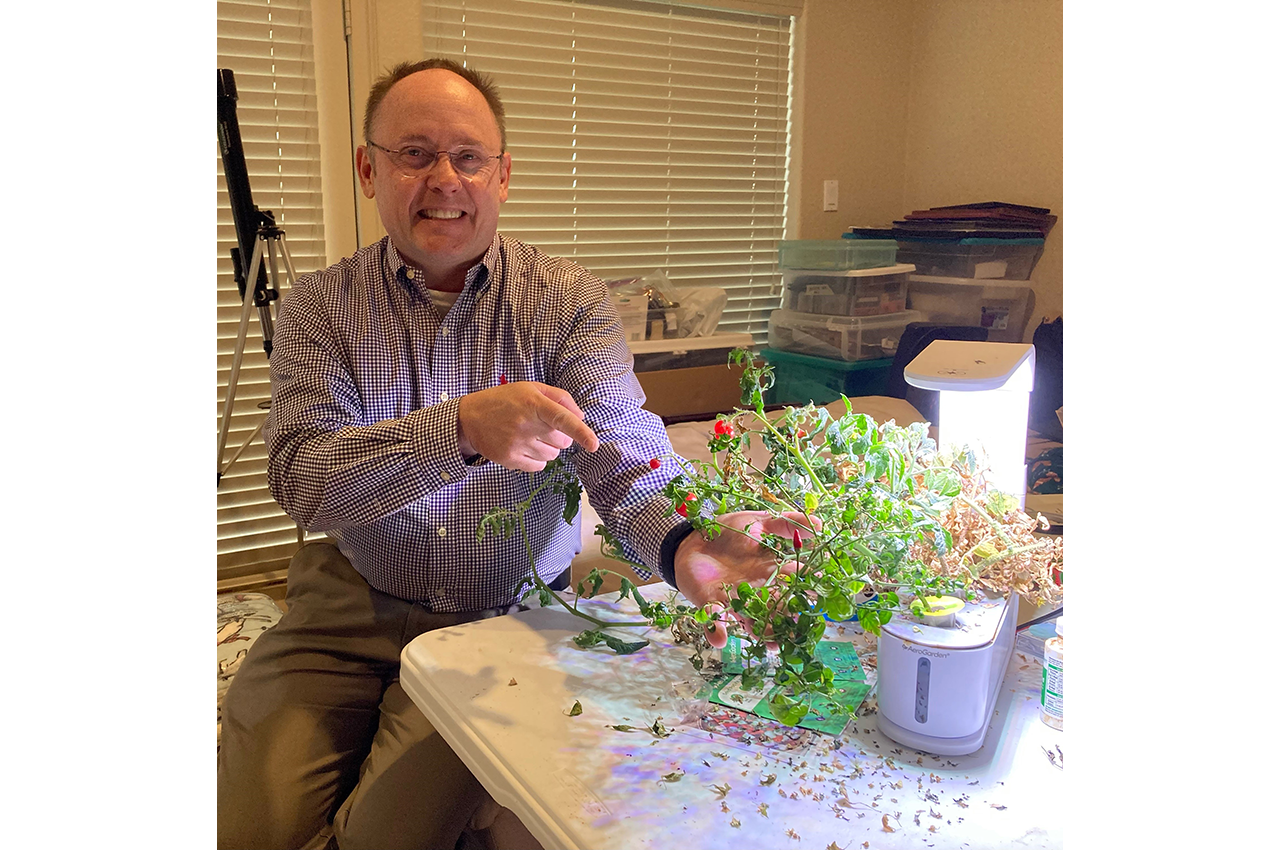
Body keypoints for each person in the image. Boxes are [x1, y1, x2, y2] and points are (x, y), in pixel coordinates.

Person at [216, 57, 810, 850]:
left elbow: (624, 454)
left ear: (503, 175)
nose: (444, 179)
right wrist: (458, 429)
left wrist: (685, 542)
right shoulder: (321, 309)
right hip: (347, 602)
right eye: (414, 153)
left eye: (468, 157)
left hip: (499, 612)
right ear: (369, 169)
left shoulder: (566, 304)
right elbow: (303, 481)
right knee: (247, 830)